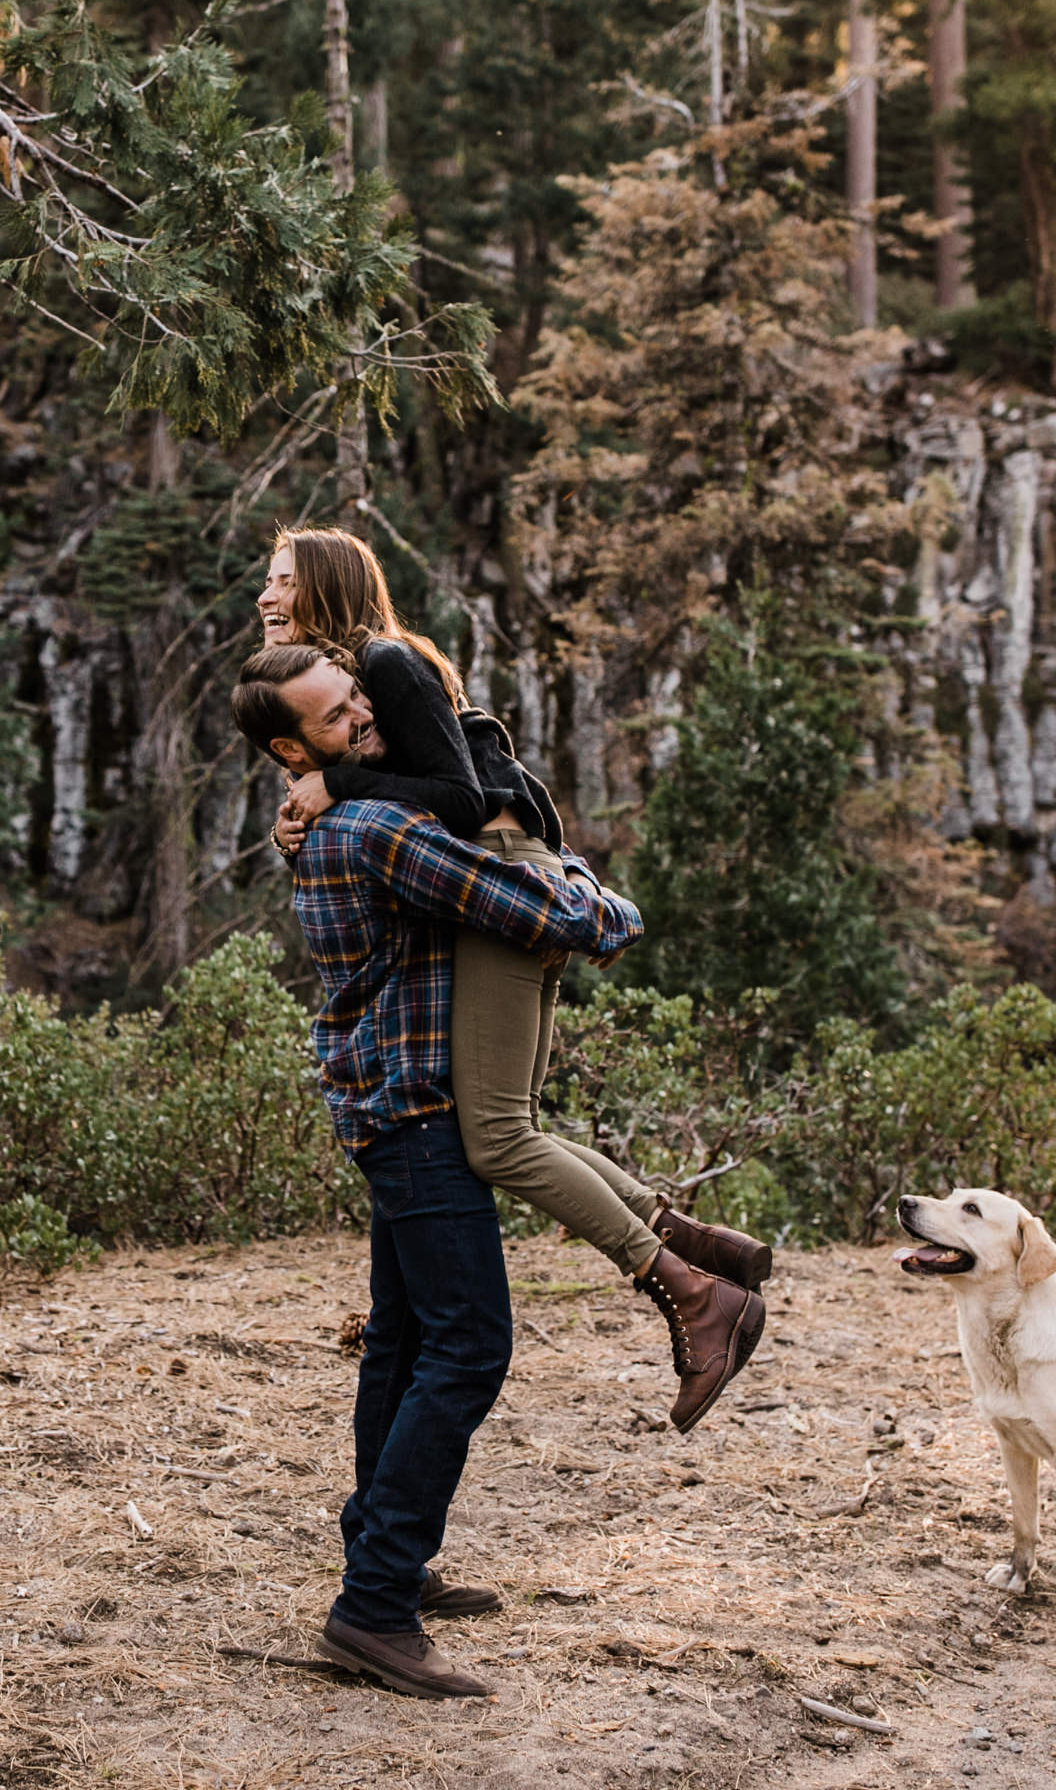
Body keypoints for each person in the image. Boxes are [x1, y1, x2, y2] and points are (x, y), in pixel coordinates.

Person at [229, 644, 766, 1699]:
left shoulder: (337, 812)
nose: (366, 723)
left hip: (385, 1107)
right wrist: (611, 905)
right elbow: (550, 915)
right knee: (471, 1345)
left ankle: (388, 1563)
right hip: (422, 1119)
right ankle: (373, 1607)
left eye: (362, 703)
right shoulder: (377, 828)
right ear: (291, 748)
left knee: (403, 1342)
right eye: (337, 723)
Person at [255, 526, 772, 1431]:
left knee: (492, 1138)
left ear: (325, 587)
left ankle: (691, 1291)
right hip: (497, 870)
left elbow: (457, 800)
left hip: (496, 873)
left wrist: (335, 785)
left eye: (282, 580)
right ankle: (684, 1238)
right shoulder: (364, 679)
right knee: (513, 1126)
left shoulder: (387, 662)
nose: (266, 596)